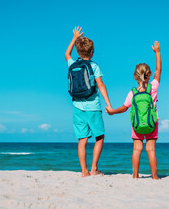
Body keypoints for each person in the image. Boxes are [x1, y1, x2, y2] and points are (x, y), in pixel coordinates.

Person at [106, 41, 162, 179]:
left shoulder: (132, 93)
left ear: (135, 77)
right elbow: (159, 71)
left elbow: (124, 108)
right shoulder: (153, 87)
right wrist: (157, 53)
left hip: (137, 125)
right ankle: (154, 176)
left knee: (137, 149)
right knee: (150, 149)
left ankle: (135, 175)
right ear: (149, 76)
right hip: (152, 123)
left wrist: (112, 111)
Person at [65, 26, 112, 177]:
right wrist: (108, 104)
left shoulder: (72, 64)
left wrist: (74, 37)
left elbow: (66, 53)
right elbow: (101, 85)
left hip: (77, 106)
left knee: (82, 140)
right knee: (99, 137)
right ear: (92, 52)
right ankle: (94, 169)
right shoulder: (94, 66)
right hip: (93, 106)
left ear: (78, 52)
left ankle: (84, 171)